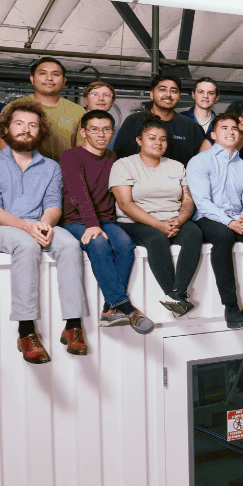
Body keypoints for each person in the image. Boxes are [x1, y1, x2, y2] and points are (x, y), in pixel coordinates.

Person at [0, 100, 88, 363]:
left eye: (33, 125)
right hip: (1, 226)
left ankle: (73, 325)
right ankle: (26, 331)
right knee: (27, 246)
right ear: (5, 129)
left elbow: (53, 204)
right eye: (19, 124)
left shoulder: (51, 166)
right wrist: (29, 227)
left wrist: (45, 223)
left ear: (40, 132)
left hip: (39, 223)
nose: (26, 130)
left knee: (70, 245)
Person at [60, 109, 153, 333]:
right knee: (99, 244)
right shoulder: (71, 155)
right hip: (76, 220)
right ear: (84, 132)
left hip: (105, 219)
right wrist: (92, 224)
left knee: (125, 244)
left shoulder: (112, 158)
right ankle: (125, 306)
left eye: (106, 129)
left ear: (113, 132)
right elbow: (79, 192)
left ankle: (109, 310)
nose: (101, 134)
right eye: (94, 129)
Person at [188, 114, 243, 326]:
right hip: (208, 216)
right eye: (224, 128)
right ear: (213, 135)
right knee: (223, 236)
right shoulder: (199, 161)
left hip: (237, 216)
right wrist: (229, 222)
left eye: (234, 128)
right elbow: (202, 202)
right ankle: (230, 306)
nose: (230, 132)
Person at [112, 119, 203, 321]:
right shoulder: (123, 165)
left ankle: (177, 295)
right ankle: (172, 296)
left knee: (193, 233)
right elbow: (125, 204)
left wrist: (179, 220)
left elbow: (188, 200)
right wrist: (158, 224)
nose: (158, 143)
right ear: (139, 140)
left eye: (163, 139)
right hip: (135, 223)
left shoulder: (177, 167)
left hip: (172, 219)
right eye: (151, 138)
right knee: (157, 239)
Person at [111, 75, 206, 164]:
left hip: (179, 180)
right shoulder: (133, 121)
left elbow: (200, 160)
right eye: (162, 89)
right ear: (151, 94)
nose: (168, 94)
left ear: (179, 97)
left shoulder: (190, 125)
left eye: (173, 91)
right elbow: (121, 157)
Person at [7, 58, 86, 159]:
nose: (49, 78)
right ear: (32, 79)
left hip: (64, 173)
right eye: (43, 73)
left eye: (56, 74)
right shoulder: (13, 107)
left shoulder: (78, 112)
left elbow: (81, 151)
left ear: (64, 81)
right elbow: (3, 146)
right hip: (24, 173)